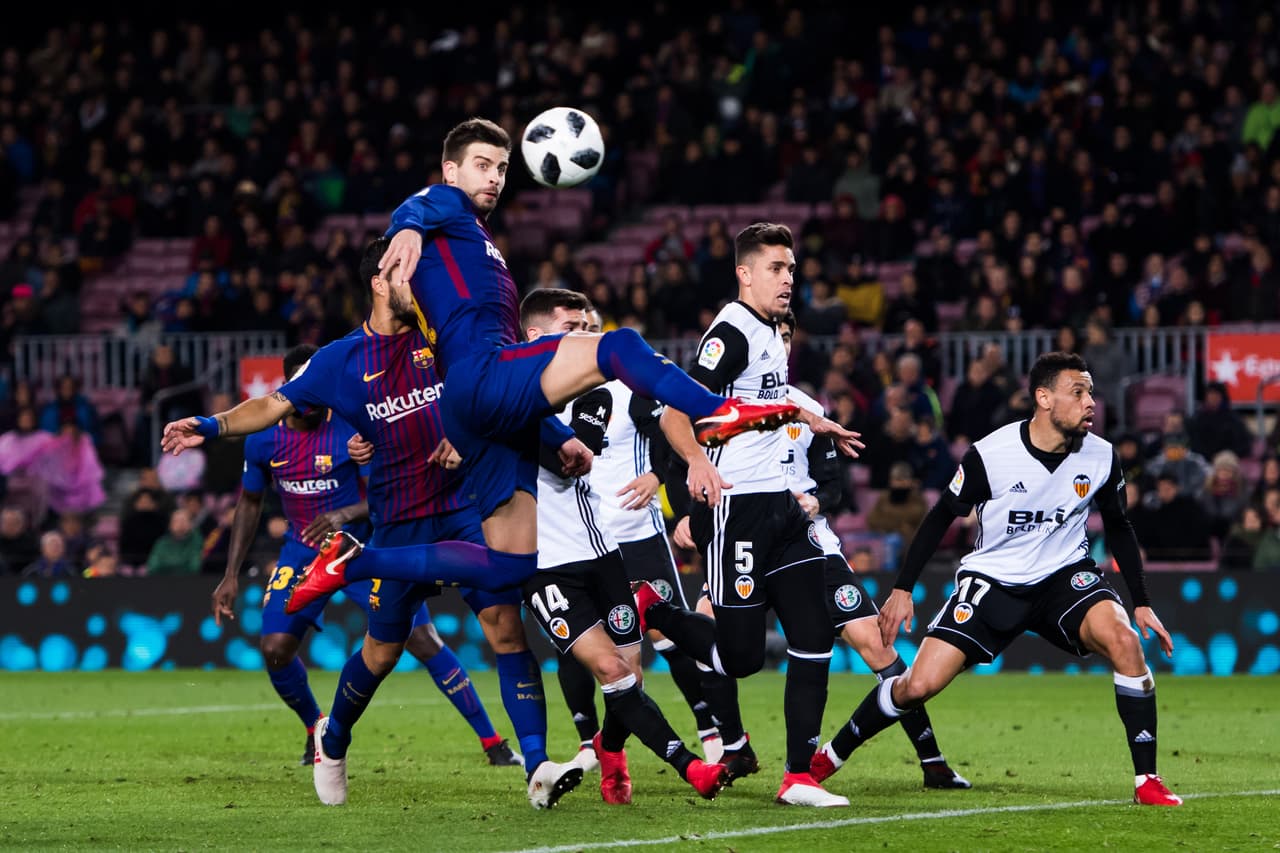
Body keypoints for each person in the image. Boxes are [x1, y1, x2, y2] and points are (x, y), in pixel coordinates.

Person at [286, 118, 829, 603]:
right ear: (451, 171)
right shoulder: (446, 206)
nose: (495, 177)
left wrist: (556, 436)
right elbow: (419, 203)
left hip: (475, 400)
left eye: (502, 168)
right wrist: (406, 225)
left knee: (509, 567)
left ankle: (355, 563)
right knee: (620, 346)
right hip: (482, 374)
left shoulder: (470, 239)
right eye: (482, 165)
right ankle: (715, 410)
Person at [166, 239, 562, 808]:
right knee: (382, 651)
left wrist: (480, 433)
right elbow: (272, 406)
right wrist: (209, 425)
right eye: (408, 274)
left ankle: (537, 764)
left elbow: (499, 391)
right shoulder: (341, 360)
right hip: (397, 525)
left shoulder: (444, 337)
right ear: (379, 282)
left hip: (463, 511)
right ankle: (333, 740)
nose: (420, 285)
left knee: (506, 628)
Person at [806, 352, 1182, 807]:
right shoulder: (992, 454)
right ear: (1044, 398)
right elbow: (941, 516)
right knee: (917, 686)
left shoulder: (1101, 456)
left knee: (1125, 642)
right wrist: (902, 589)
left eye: (1091, 393)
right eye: (1078, 392)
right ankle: (830, 755)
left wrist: (1141, 601)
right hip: (994, 581)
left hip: (1065, 577)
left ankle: (1147, 780)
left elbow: (1119, 526)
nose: (1090, 403)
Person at [636, 222, 862, 808]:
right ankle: (655, 611)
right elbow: (675, 412)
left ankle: (798, 777)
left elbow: (757, 402)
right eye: (776, 269)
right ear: (745, 273)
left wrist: (809, 417)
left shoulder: (768, 332)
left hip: (783, 509)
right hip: (738, 512)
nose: (788, 279)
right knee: (739, 659)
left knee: (814, 635)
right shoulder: (732, 332)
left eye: (791, 269)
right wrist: (694, 463)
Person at [212, 345, 518, 770]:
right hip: (301, 552)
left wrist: (343, 514)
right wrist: (230, 573)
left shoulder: (351, 426)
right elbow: (249, 502)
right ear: (290, 388)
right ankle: (315, 728)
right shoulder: (262, 439)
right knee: (275, 648)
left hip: (362, 549)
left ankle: (493, 742)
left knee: (423, 640)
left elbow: (386, 493)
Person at [516, 291, 727, 804]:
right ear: (534, 336)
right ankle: (688, 767)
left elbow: (572, 458)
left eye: (587, 327)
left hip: (604, 552)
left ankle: (611, 751)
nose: (584, 337)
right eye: (571, 327)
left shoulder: (597, 393)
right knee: (606, 669)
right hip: (543, 565)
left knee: (629, 674)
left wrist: (514, 423)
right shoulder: (506, 390)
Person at [775, 313, 970, 790]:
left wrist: (815, 501)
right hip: (749, 545)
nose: (778, 345)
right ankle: (723, 744)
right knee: (717, 643)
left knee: (880, 648)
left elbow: (832, 486)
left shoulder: (809, 410)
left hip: (812, 545)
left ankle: (932, 761)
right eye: (770, 335)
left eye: (785, 337)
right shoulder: (721, 406)